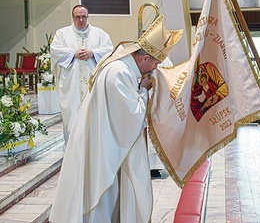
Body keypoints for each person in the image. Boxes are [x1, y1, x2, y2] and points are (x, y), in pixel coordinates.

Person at [49, 15, 183, 222]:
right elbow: (131, 117)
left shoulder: (123, 67)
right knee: (103, 196)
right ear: (144, 58)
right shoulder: (118, 73)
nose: (155, 68)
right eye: (155, 63)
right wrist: (144, 92)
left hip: (106, 140)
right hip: (102, 148)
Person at [50, 4, 113, 147]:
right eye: (77, 17)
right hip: (72, 85)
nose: (81, 20)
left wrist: (93, 53)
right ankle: (72, 152)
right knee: (73, 115)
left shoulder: (99, 34)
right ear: (73, 18)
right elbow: (54, 50)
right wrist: (73, 53)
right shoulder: (62, 33)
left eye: (84, 16)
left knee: (95, 116)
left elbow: (109, 50)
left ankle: (94, 150)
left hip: (94, 84)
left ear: (88, 17)